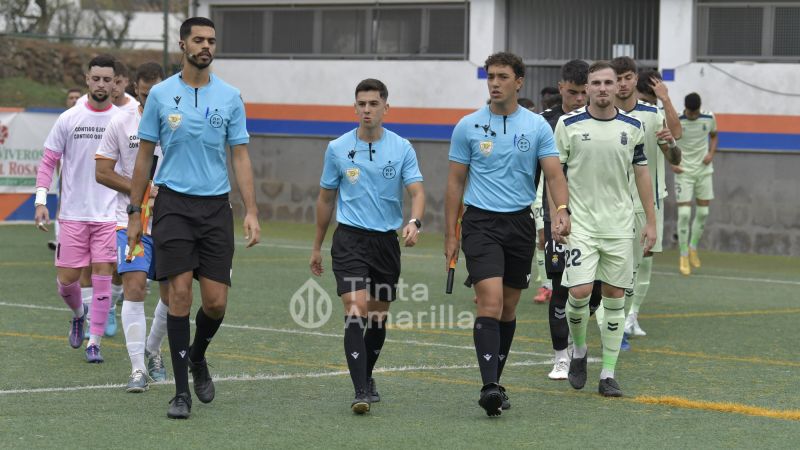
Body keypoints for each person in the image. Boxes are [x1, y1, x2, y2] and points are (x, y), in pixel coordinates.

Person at [128, 17, 261, 420]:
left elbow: (239, 155)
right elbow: (143, 155)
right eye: (199, 40)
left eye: (211, 41)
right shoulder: (162, 95)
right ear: (183, 44)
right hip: (172, 206)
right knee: (179, 295)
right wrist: (135, 211)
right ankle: (181, 394)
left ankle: (198, 355)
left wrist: (251, 210)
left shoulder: (231, 96)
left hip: (215, 209)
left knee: (216, 304)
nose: (206, 46)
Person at [445, 52, 571, 416]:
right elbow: (454, 183)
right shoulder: (467, 126)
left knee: (509, 307)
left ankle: (494, 385)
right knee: (491, 301)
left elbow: (554, 175)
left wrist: (562, 211)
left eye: (502, 76)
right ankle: (488, 385)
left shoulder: (536, 127)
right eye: (490, 76)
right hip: (480, 223)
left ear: (519, 82)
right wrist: (451, 235)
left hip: (520, 224)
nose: (495, 83)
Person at [310, 78, 425, 415]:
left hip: (386, 243)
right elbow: (325, 199)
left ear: (385, 108)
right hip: (349, 240)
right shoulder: (337, 148)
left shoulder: (402, 147)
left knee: (376, 317)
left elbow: (417, 193)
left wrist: (414, 222)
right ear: (355, 107)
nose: (367, 110)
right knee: (355, 310)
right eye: (361, 103)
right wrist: (317, 245)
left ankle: (368, 376)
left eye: (374, 104)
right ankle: (360, 390)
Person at [555, 61, 656, 397]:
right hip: (581, 225)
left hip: (619, 226)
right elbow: (557, 174)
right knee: (579, 292)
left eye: (607, 82)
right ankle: (580, 350)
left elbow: (642, 174)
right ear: (587, 87)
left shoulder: (633, 126)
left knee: (614, 296)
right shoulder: (568, 124)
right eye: (595, 83)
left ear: (617, 87)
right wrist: (560, 211)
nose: (601, 88)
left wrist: (651, 222)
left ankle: (608, 374)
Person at [33, 54, 119, 363]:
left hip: (109, 215)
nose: (101, 84)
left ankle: (94, 342)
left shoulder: (121, 119)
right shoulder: (69, 117)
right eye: (96, 78)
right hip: (71, 215)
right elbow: (48, 161)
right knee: (66, 281)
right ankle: (78, 314)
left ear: (114, 82)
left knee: (103, 276)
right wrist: (41, 201)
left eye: (107, 79)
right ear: (87, 79)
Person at [96, 61, 170, 392]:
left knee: (174, 293)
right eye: (145, 90)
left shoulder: (179, 122)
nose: (151, 96)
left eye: (157, 90)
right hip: (127, 219)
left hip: (172, 220)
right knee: (135, 287)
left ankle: (153, 349)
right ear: (136, 89)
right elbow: (102, 171)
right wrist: (138, 190)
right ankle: (138, 368)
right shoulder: (121, 122)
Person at [538, 59, 605, 380]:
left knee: (594, 290)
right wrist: (543, 221)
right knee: (559, 289)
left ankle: (580, 339)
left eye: (584, 93)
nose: (580, 99)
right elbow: (536, 177)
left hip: (597, 220)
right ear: (562, 87)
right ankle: (561, 357)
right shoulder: (544, 123)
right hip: (557, 219)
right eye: (574, 92)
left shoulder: (602, 120)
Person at [613, 68, 683, 348]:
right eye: (615, 78)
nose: (620, 84)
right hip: (613, 201)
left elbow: (676, 138)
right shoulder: (598, 113)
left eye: (626, 77)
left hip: (649, 200)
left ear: (633, 80)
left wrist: (665, 99)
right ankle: (614, 317)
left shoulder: (652, 113)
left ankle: (630, 316)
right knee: (617, 263)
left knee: (644, 260)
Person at [673, 93, 717, 276]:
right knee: (684, 214)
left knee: (704, 212)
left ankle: (693, 248)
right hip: (683, 171)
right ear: (686, 109)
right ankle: (683, 255)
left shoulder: (709, 117)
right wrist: (672, 163)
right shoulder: (676, 119)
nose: (693, 116)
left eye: (696, 112)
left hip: (704, 170)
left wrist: (711, 153)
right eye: (691, 113)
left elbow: (714, 136)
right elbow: (666, 143)